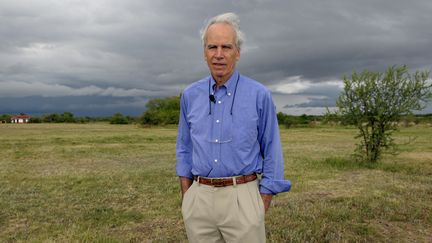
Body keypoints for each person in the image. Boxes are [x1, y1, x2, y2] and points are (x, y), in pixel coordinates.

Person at [176, 12, 291, 243]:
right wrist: (188, 196)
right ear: (204, 53)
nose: (219, 55)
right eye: (212, 47)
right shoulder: (190, 95)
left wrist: (262, 200)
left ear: (237, 53)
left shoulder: (259, 95)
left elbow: (272, 149)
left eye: (226, 47)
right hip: (199, 199)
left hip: (243, 197)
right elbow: (184, 147)